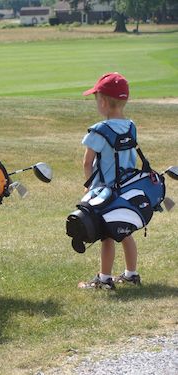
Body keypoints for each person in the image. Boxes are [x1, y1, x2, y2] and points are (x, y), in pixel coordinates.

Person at [78, 72, 142, 290]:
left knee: (106, 236)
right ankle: (131, 274)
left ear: (103, 102)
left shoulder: (99, 130)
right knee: (125, 232)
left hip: (104, 193)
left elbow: (87, 163)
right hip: (126, 189)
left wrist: (90, 192)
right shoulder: (131, 127)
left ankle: (104, 279)